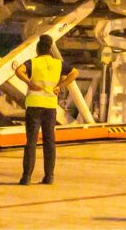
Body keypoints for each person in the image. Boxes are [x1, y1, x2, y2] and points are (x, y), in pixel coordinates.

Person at [15, 34, 79, 185]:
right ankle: (49, 176)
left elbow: (19, 70)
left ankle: (26, 177)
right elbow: (75, 73)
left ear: (38, 48)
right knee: (49, 142)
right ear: (50, 48)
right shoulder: (58, 64)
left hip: (34, 105)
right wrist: (60, 86)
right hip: (50, 106)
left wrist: (29, 83)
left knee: (31, 142)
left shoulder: (33, 62)